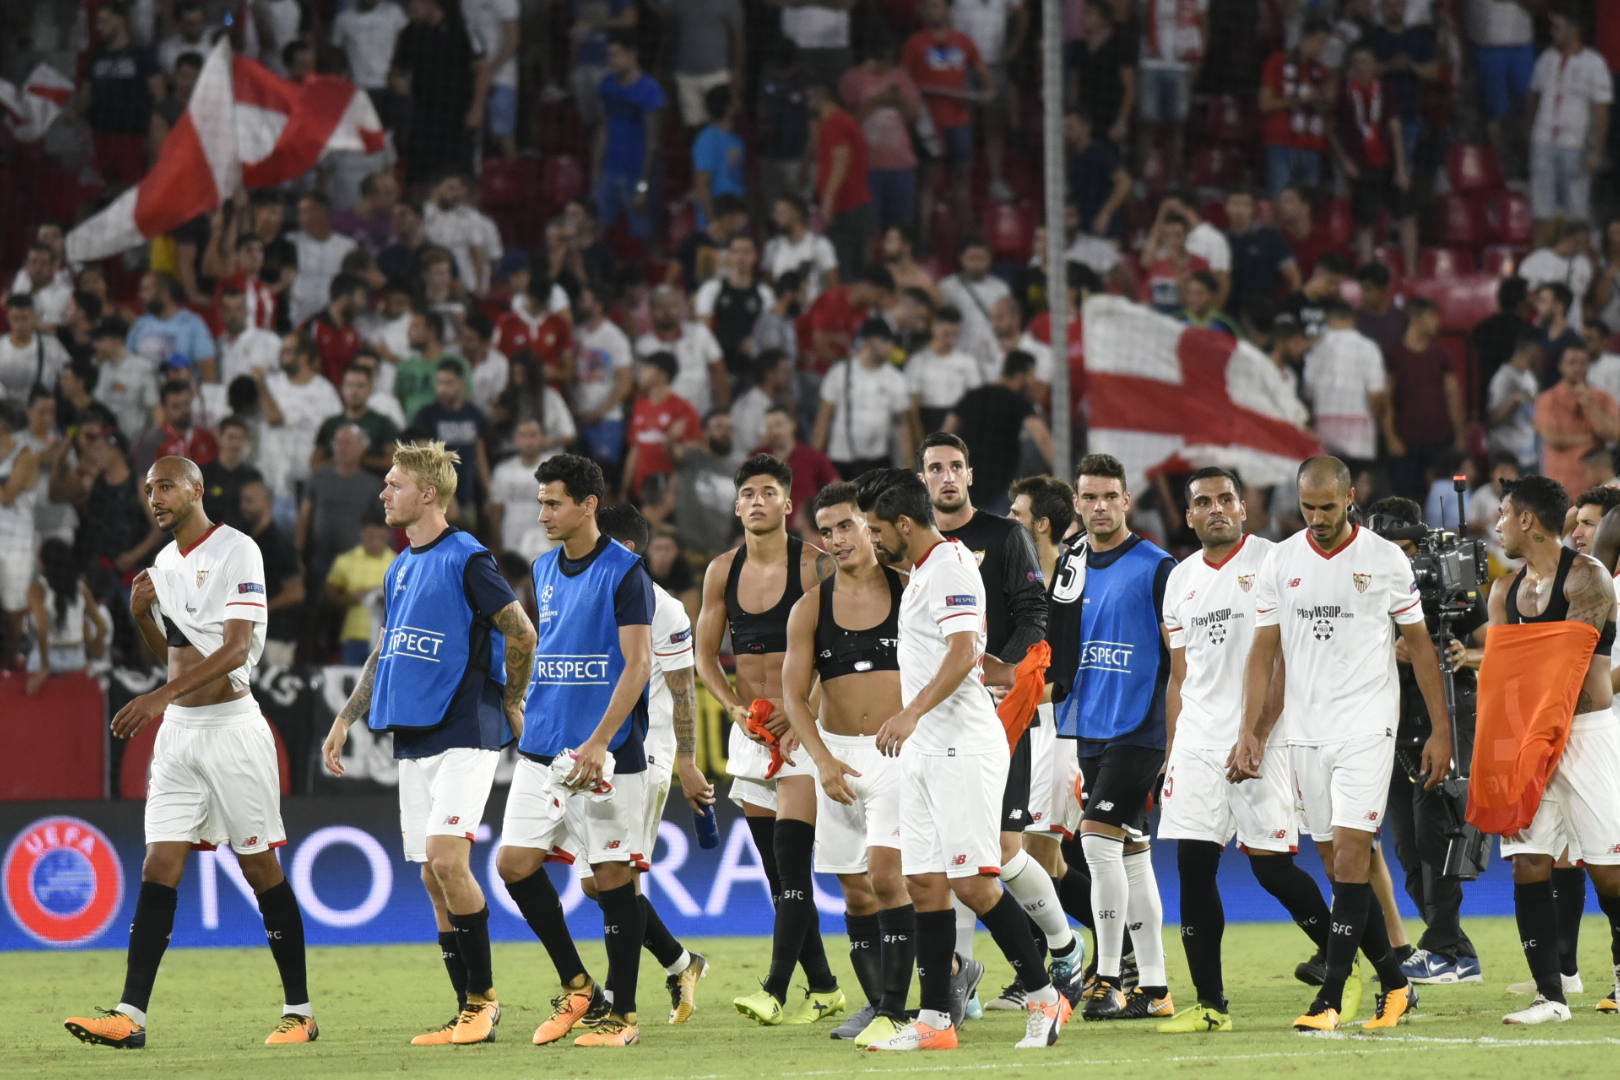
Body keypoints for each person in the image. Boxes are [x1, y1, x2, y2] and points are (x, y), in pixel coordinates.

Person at [63, 457, 315, 1050]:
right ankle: (131, 1016)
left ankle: (299, 1012)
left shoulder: (237, 551)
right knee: (159, 865)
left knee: (260, 869)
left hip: (231, 730)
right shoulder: (164, 564)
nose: (156, 498)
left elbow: (233, 652)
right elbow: (175, 656)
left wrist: (154, 699)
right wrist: (142, 617)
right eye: (149, 490)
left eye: (167, 486)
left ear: (197, 489)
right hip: (179, 733)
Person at [322, 441, 537, 1045]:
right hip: (416, 734)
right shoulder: (400, 566)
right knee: (430, 877)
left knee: (448, 861)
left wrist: (513, 699)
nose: (384, 493)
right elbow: (387, 648)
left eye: (393, 484)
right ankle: (468, 1012)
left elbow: (521, 631)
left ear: (428, 494)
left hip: (468, 725)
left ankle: (484, 1002)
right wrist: (346, 716)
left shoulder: (468, 557)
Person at [855, 469, 1071, 1051]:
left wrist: (911, 712)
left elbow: (964, 651)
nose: (872, 539)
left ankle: (1046, 998)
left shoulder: (952, 567)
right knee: (924, 882)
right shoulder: (925, 571)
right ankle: (935, 1021)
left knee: (974, 883)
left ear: (905, 524)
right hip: (926, 751)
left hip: (962, 746)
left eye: (876, 528)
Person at [1232, 455, 1448, 1032]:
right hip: (1304, 730)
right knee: (1335, 865)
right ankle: (1398, 985)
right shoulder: (1282, 561)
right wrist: (1253, 730)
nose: (1318, 517)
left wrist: (1441, 729)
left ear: (1350, 496)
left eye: (1328, 506)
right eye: (1308, 507)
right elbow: (1264, 653)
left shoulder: (1383, 560)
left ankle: (1329, 997)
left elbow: (1421, 647)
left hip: (1366, 725)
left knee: (1354, 853)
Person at [492, 453, 664, 1047]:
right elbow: (551, 654)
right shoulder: (541, 569)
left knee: (613, 877)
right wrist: (523, 709)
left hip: (606, 755)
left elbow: (638, 663)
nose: (542, 513)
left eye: (553, 502)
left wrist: (598, 740)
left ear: (588, 505)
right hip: (543, 749)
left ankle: (624, 1016)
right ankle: (578, 985)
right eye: (540, 502)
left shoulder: (624, 572)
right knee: (513, 864)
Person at [1155, 468, 1335, 1033]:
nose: (1216, 509)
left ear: (1243, 507)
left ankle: (1341, 960)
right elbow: (1179, 677)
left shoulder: (1274, 563)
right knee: (1193, 866)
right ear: (1188, 516)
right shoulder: (1179, 580)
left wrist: (1256, 731)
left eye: (1225, 499)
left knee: (1272, 867)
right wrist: (1172, 747)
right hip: (1198, 742)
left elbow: (1285, 661)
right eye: (1203, 502)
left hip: (1262, 738)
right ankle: (1211, 1006)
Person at [918, 434, 1081, 1016]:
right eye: (935, 468)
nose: (946, 477)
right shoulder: (915, 549)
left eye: (955, 466)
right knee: (948, 855)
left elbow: (1034, 613)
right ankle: (962, 980)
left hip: (1002, 714)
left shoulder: (1002, 536)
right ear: (923, 478)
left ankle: (1064, 950)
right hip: (940, 724)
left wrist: (999, 670)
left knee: (1003, 850)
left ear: (969, 472)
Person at [694, 454, 843, 1022]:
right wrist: (731, 705)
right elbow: (705, 656)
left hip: (804, 734)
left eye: (768, 492)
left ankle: (775, 990)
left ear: (787, 503)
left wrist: (803, 708)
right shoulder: (720, 572)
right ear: (737, 506)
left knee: (792, 864)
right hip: (751, 736)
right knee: (779, 876)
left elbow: (840, 652)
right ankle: (826, 986)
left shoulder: (815, 566)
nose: (757, 501)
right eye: (748, 493)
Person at [767, 480, 914, 1045]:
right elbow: (793, 697)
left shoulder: (910, 592)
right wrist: (823, 761)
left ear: (871, 526)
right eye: (825, 532)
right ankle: (879, 1003)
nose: (836, 539)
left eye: (846, 526)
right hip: (838, 758)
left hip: (897, 752)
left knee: (887, 877)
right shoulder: (811, 606)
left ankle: (899, 1009)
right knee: (855, 891)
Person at [1042, 454, 1175, 1021]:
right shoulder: (1070, 564)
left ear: (1126, 501)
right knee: (1133, 855)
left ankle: (1106, 977)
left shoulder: (1157, 565)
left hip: (1140, 724)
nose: (1099, 506)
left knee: (1095, 842)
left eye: (1109, 496)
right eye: (1089, 497)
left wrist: (1177, 733)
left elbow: (1179, 655)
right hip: (1090, 725)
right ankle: (1156, 987)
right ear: (1077, 502)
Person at [1487, 475, 1620, 1024]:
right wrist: (1499, 755)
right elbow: (1503, 680)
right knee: (1529, 864)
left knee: (1608, 869)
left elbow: (1574, 670)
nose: (1496, 525)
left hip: (1585, 736)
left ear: (1526, 519)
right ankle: (1552, 997)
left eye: (1503, 513)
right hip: (1527, 737)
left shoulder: (1587, 579)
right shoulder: (1503, 592)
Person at [592, 503, 715, 1023]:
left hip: (645, 753)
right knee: (601, 880)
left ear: (625, 550)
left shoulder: (664, 609)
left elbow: (684, 689)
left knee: (616, 877)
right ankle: (681, 961)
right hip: (598, 754)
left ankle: (618, 1002)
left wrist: (688, 760)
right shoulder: (590, 595)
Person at [1362, 497, 1486, 988]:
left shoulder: (1451, 583)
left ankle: (1443, 949)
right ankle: (1453, 949)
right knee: (1409, 849)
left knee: (1438, 838)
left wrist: (1463, 652)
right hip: (1390, 726)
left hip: (1444, 721)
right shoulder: (1362, 583)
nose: (1401, 558)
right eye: (1390, 547)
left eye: (1408, 547)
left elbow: (1492, 640)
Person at [904, 0, 990, 244]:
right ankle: (922, 241)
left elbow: (983, 72)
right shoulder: (915, 44)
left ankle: (968, 239)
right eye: (928, 7)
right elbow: (903, 79)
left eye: (937, 5)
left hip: (959, 120)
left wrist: (987, 90)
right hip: (929, 124)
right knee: (928, 181)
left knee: (961, 181)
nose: (933, 10)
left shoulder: (963, 41)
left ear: (947, 9)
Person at [1331, 45, 1415, 273]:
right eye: (1357, 61)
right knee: (1365, 222)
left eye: (1366, 60)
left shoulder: (1385, 90)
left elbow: (1396, 129)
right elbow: (1331, 129)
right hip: (1361, 165)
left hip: (1387, 161)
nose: (1362, 66)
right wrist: (1345, 161)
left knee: (1406, 216)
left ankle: (1411, 272)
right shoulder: (1344, 92)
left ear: (1376, 65)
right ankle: (1367, 273)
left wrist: (1401, 168)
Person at [1527, 10, 1612, 235]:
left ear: (1574, 29)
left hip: (1575, 143)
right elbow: (1533, 97)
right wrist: (1531, 133)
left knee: (1577, 212)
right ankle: (1539, 264)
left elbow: (1601, 110)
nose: (1554, 32)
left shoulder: (1594, 63)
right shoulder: (1546, 59)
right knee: (1541, 211)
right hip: (1544, 140)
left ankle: (1579, 265)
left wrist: (1596, 150)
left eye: (1559, 27)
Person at [388, 0, 487, 184]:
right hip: (424, 116)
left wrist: (477, 108)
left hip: (458, 115)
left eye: (414, 9)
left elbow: (482, 69)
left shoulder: (462, 27)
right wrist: (397, 80)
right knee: (422, 175)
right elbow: (396, 69)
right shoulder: (410, 33)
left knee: (461, 175)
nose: (411, 14)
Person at [943, 353, 1051, 514]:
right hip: (1000, 488)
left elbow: (945, 433)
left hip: (967, 485)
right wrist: (1065, 474)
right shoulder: (1018, 401)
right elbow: (1042, 438)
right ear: (1021, 376)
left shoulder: (972, 396)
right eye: (1031, 376)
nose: (1033, 383)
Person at [1383, 297, 1466, 500]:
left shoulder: (1441, 354)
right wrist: (1391, 435)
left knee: (1443, 498)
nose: (1437, 322)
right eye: (1432, 316)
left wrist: (1460, 433)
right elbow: (1387, 399)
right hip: (1407, 442)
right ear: (1415, 318)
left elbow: (1453, 395)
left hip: (1440, 440)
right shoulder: (1395, 354)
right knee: (1409, 500)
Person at [814, 320, 915, 481]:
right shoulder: (840, 373)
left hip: (877, 460)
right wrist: (816, 463)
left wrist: (907, 465)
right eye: (885, 341)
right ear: (868, 342)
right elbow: (824, 418)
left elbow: (901, 425)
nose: (890, 347)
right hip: (841, 458)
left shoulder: (895, 379)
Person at [841, 37, 922, 235]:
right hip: (869, 166)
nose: (889, 64)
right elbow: (847, 123)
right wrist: (877, 101)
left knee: (901, 229)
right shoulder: (853, 79)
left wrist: (900, 101)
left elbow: (913, 118)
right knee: (869, 229)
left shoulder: (901, 78)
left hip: (901, 165)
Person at [594, 33, 666, 244]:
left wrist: (643, 186)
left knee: (646, 238)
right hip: (609, 172)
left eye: (615, 55)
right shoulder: (607, 85)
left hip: (637, 174)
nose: (611, 60)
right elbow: (602, 129)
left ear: (632, 55)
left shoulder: (651, 92)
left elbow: (654, 142)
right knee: (597, 232)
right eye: (609, 55)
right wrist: (596, 171)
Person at [1302, 298, 1390, 469]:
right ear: (1353, 319)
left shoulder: (1316, 349)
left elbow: (1309, 394)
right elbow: (1376, 395)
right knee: (1357, 489)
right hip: (1360, 438)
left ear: (1329, 319)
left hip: (1325, 434)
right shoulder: (1369, 348)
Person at [1536, 343, 1620, 500]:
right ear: (1561, 366)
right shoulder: (1548, 399)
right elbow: (1552, 438)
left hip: (1597, 485)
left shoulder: (1603, 398)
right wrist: (1593, 438)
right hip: (1559, 486)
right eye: (1572, 362)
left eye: (1583, 362)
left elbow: (1615, 434)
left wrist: (1590, 404)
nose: (1578, 368)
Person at [808, 80, 874, 280]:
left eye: (810, 97)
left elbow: (841, 161)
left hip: (846, 205)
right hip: (853, 204)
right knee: (853, 263)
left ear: (820, 97)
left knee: (846, 267)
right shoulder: (840, 121)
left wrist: (828, 200)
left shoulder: (836, 123)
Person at [1260, 17, 1332, 196]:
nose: (1322, 48)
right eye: (1321, 42)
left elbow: (1324, 113)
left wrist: (1324, 101)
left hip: (1313, 144)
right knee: (1280, 199)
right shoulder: (1277, 61)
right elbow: (1265, 103)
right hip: (1283, 142)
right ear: (1307, 38)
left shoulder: (1321, 71)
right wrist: (1300, 100)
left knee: (1308, 206)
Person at [240, 480, 306, 668]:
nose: (244, 507)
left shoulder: (280, 544)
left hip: (275, 637)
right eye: (243, 501)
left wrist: (260, 611)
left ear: (267, 503)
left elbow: (296, 592)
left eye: (249, 501)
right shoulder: (249, 541)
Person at [572, 281, 635, 472]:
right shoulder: (578, 334)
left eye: (585, 300)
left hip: (607, 420)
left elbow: (625, 384)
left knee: (604, 476)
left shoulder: (615, 338)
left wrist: (599, 412)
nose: (580, 303)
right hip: (580, 417)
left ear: (598, 306)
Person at [623, 351, 701, 502]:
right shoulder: (640, 406)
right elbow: (635, 449)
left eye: (647, 367)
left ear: (662, 376)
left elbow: (692, 451)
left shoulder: (684, 409)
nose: (642, 371)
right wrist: (625, 489)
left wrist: (671, 441)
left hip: (668, 494)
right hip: (640, 489)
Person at [637, 286, 728, 415]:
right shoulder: (644, 345)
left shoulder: (700, 333)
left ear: (680, 307)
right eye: (660, 307)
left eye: (672, 306)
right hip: (662, 417)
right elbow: (641, 387)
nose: (667, 311)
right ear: (651, 311)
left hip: (700, 413)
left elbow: (719, 371)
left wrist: (724, 408)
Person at [324, 507, 398, 665]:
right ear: (362, 533)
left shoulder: (398, 563)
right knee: (353, 686)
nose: (376, 541)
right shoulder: (346, 560)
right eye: (371, 536)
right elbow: (329, 594)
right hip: (355, 635)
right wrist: (349, 598)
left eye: (381, 536)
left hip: (387, 638)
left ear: (388, 535)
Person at [696, 236, 774, 384]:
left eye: (746, 252)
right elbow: (702, 332)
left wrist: (756, 346)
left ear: (755, 257)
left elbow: (768, 332)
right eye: (736, 252)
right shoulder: (712, 290)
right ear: (729, 256)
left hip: (753, 368)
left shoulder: (764, 293)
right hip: (720, 366)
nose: (740, 257)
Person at [1223, 188, 1300, 322]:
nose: (1239, 210)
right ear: (1226, 208)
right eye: (1235, 204)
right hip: (1229, 314)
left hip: (1265, 315)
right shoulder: (1220, 240)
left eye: (1245, 205)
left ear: (1253, 209)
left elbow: (1294, 278)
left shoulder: (1271, 238)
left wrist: (1290, 310)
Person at [665, 0, 743, 130]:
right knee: (693, 130)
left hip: (717, 74)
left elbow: (738, 36)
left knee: (721, 128)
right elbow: (671, 31)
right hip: (687, 75)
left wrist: (739, 71)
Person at [939, 240, 1011, 377]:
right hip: (959, 353)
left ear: (990, 260)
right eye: (972, 258)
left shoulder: (1001, 288)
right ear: (961, 259)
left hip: (992, 356)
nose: (977, 264)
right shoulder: (947, 287)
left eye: (981, 259)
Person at [906, 307, 981, 435]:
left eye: (954, 335)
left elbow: (975, 400)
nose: (950, 339)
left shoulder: (967, 362)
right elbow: (913, 408)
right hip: (929, 419)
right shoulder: (918, 362)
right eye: (946, 334)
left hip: (959, 420)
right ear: (934, 328)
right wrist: (918, 439)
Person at [288, 195, 359, 329]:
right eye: (299, 212)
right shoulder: (292, 242)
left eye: (305, 211)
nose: (300, 216)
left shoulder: (347, 247)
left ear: (322, 212)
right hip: (299, 316)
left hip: (332, 318)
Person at [315, 363, 399, 473]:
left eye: (360, 386)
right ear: (342, 388)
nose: (354, 391)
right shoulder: (330, 424)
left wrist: (360, 460)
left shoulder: (383, 424)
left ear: (370, 389)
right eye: (350, 385)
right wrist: (340, 461)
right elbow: (315, 464)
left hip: (372, 485)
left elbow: (394, 462)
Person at [128, 272, 217, 372]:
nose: (141, 295)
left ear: (164, 293)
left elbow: (208, 368)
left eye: (146, 290)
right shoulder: (140, 325)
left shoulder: (192, 324)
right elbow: (127, 363)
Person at [1521, 224, 1596, 335]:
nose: (1580, 247)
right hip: (1544, 321)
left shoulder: (1584, 263)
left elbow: (1583, 296)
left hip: (1574, 324)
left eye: (1584, 243)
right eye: (1577, 241)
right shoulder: (1537, 260)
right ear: (1564, 237)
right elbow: (1528, 294)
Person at [691, 85, 747, 229]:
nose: (740, 102)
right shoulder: (708, 139)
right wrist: (714, 222)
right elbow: (702, 184)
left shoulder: (736, 139)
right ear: (727, 107)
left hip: (736, 214)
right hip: (717, 217)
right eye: (736, 99)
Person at [0, 294, 69, 402]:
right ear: (8, 317)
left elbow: (67, 374)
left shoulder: (51, 346)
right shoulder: (1, 346)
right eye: (15, 318)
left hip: (41, 409)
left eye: (24, 318)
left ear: (34, 317)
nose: (20, 324)